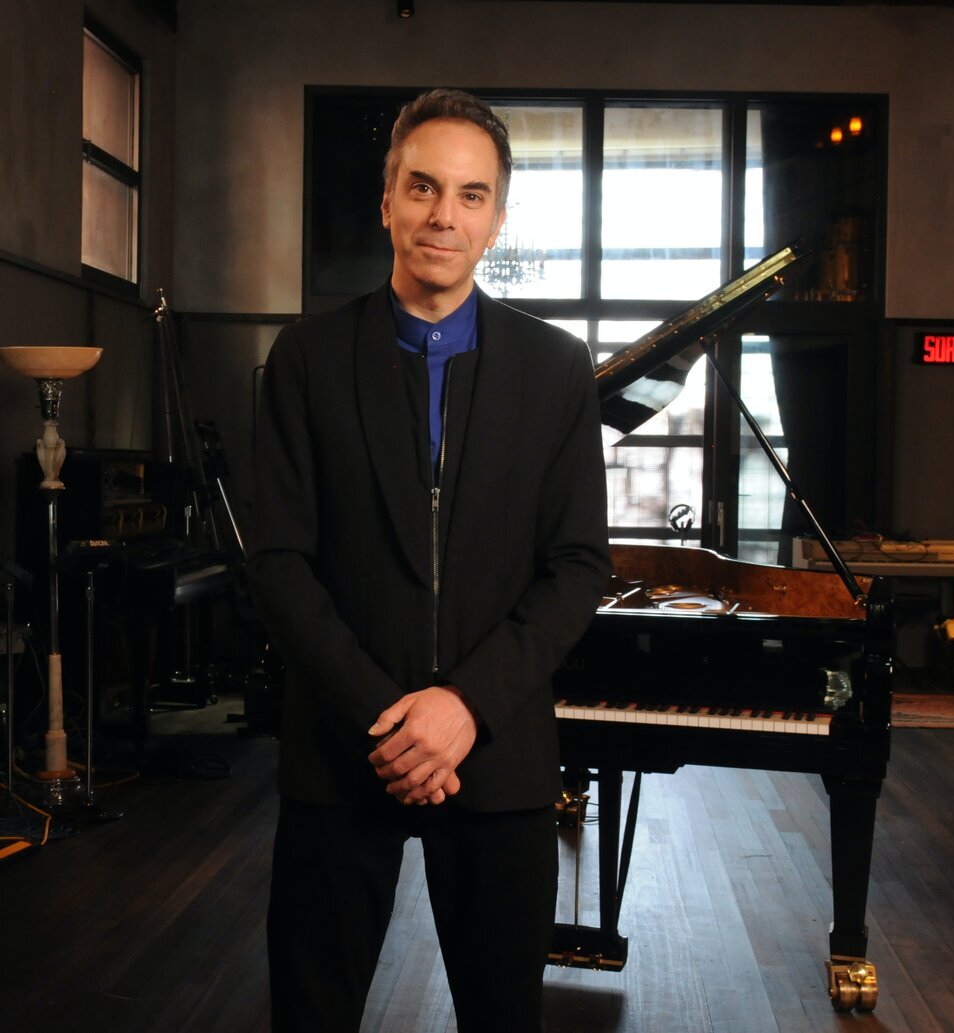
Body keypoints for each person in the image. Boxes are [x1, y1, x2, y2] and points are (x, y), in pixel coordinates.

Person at [248, 88, 610, 1033]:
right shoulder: (305, 359)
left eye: (470, 194)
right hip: (341, 754)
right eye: (423, 187)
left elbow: (578, 565)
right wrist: (390, 720)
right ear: (387, 201)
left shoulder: (556, 369)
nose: (444, 214)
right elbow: (279, 562)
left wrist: (463, 708)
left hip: (499, 757)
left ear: (496, 218)